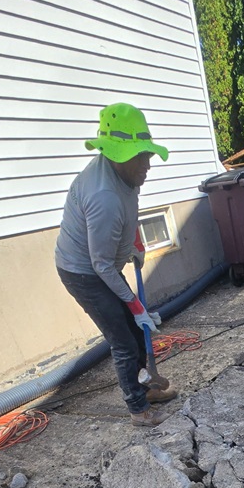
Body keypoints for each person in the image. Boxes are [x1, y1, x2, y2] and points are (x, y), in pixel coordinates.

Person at [56, 103, 176, 427]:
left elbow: (129, 213)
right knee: (122, 340)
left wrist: (134, 244)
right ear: (118, 155)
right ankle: (138, 408)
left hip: (102, 264)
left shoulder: (125, 174)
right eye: (142, 156)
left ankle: (146, 386)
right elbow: (101, 265)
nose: (148, 164)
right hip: (83, 273)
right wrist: (136, 307)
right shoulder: (103, 195)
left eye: (147, 154)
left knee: (136, 331)